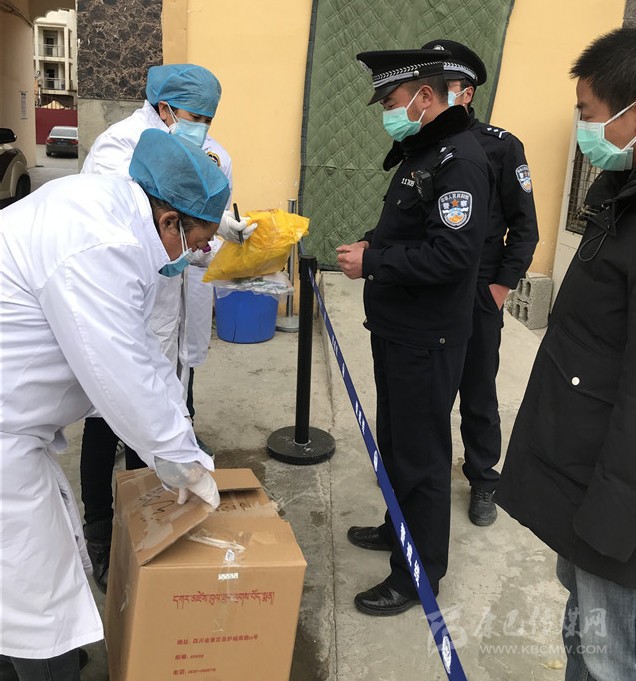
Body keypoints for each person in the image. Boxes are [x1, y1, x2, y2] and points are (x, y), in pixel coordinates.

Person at [0, 129, 230, 680]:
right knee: (39, 599)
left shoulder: (116, 217)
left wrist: (183, 438)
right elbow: (119, 371)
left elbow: (144, 351)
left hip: (16, 425)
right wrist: (178, 457)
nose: (196, 255)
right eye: (197, 242)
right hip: (6, 435)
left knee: (24, 581)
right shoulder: (100, 245)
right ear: (170, 221)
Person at [495, 27, 636, 681]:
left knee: (610, 656)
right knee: (583, 631)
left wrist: (610, 519)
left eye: (588, 113)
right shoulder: (619, 193)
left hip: (617, 509)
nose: (581, 128)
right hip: (587, 475)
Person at [80, 64, 250, 594]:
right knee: (106, 413)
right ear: (164, 107)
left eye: (208, 118)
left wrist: (222, 230)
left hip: (170, 300)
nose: (201, 127)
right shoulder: (118, 147)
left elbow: (192, 214)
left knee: (165, 392)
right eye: (194, 115)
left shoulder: (208, 151)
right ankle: (101, 530)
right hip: (127, 296)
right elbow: (129, 222)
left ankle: (150, 519)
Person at [337, 48, 493, 614]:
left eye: (392, 101)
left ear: (426, 96)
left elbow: (451, 255)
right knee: (399, 444)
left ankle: (417, 574)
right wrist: (371, 243)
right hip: (398, 328)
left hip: (426, 338)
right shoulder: (422, 152)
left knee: (422, 458)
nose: (387, 111)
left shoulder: (460, 162)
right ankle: (396, 526)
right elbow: (408, 229)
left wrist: (374, 262)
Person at [420, 39, 539, 526]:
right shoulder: (422, 143)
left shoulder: (501, 146)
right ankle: (420, 472)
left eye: (441, 86)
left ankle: (484, 478)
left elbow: (525, 227)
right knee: (427, 387)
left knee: (477, 387)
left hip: (478, 289)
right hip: (429, 286)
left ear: (465, 94)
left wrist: (500, 287)